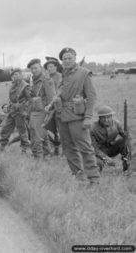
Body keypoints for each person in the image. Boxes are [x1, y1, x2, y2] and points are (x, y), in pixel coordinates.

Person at [58, 47, 100, 186]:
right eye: (64, 58)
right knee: (68, 147)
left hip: (77, 116)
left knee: (85, 148)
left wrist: (88, 117)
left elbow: (92, 96)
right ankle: (78, 175)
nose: (67, 61)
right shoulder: (62, 75)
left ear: (75, 58)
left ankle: (93, 179)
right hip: (62, 117)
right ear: (62, 61)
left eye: (70, 58)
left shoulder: (84, 73)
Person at [0, 68, 31, 154]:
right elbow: (12, 99)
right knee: (5, 129)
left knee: (22, 131)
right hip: (12, 111)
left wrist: (24, 109)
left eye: (16, 74)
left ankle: (25, 149)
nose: (14, 76)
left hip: (20, 112)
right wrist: (8, 106)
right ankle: (2, 146)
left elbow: (30, 100)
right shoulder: (13, 86)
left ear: (21, 75)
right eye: (13, 75)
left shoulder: (25, 86)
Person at [27, 59, 55, 158]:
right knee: (42, 133)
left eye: (36, 68)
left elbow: (52, 97)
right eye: (32, 69)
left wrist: (48, 112)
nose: (34, 70)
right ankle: (47, 155)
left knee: (36, 135)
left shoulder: (46, 80)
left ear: (41, 68)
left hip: (42, 111)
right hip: (34, 110)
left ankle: (38, 157)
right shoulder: (33, 80)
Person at [91, 105, 130, 171]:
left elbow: (126, 138)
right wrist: (105, 158)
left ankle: (126, 163)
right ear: (99, 118)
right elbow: (94, 148)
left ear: (111, 116)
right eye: (103, 117)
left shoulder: (117, 124)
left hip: (112, 148)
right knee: (97, 163)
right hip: (100, 150)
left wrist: (126, 135)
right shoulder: (92, 128)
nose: (106, 120)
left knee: (124, 141)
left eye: (108, 117)